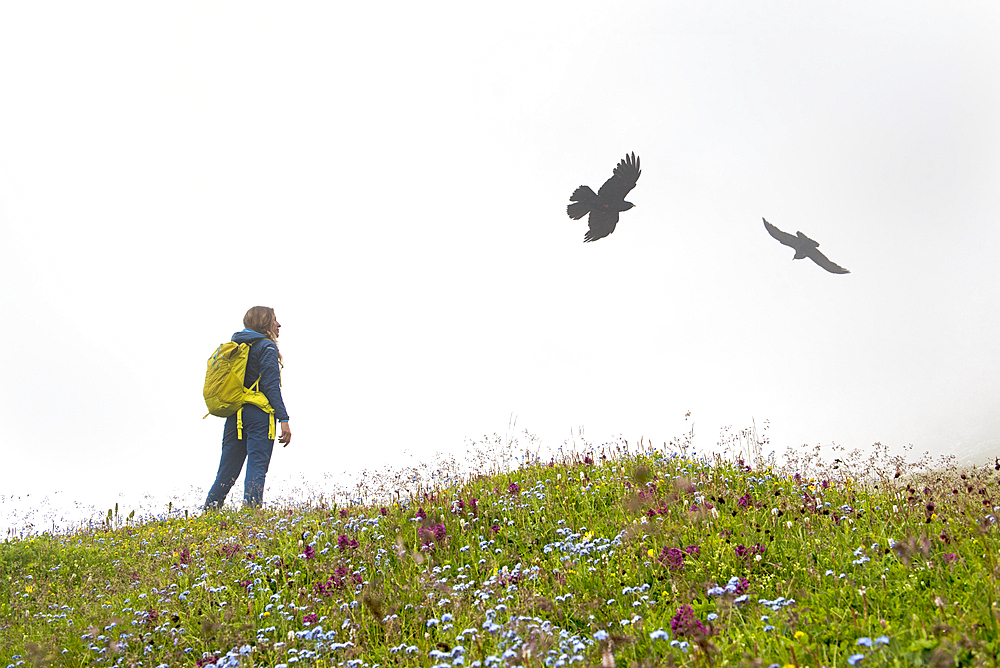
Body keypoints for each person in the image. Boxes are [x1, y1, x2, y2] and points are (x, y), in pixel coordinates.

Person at [205, 306, 291, 509]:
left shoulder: (237, 346)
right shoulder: (266, 347)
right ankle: (251, 513)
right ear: (264, 323)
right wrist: (284, 419)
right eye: (274, 320)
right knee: (257, 465)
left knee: (227, 470)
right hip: (259, 416)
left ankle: (210, 510)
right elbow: (271, 386)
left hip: (235, 413)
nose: (278, 325)